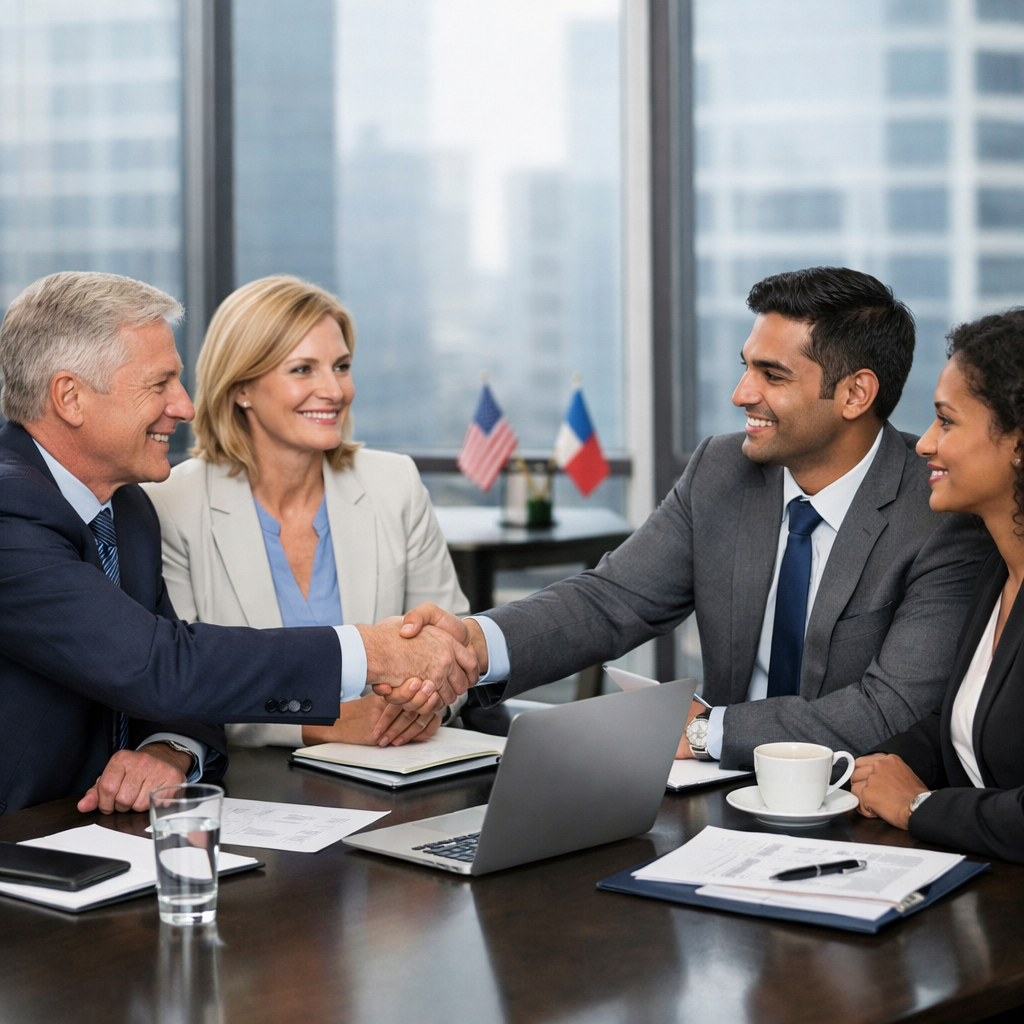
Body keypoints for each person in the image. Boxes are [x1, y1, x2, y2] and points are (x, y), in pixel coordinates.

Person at [388, 267, 994, 770]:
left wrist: (708, 732)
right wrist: (474, 643)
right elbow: (610, 602)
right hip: (708, 795)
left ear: (856, 394)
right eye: (745, 366)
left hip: (848, 808)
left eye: (771, 375)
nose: (741, 394)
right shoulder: (721, 470)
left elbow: (889, 707)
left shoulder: (940, 509)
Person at [0, 271, 477, 816]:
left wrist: (168, 748)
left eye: (341, 366)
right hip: (25, 838)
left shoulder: (126, 506)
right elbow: (163, 664)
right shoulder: (11, 509)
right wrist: (370, 651)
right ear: (71, 397)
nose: (184, 405)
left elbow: (179, 677)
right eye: (160, 385)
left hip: (108, 826)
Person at [141, 275, 470, 750]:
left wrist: (422, 704)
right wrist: (321, 723)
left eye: (341, 366)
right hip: (258, 789)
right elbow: (184, 685)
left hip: (403, 764)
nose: (334, 390)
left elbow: (455, 644)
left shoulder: (394, 483)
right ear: (242, 389)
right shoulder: (172, 502)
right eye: (302, 370)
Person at [852, 310, 1024, 862]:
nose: (924, 444)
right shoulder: (997, 566)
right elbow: (968, 725)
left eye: (946, 422)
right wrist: (866, 768)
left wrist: (917, 807)